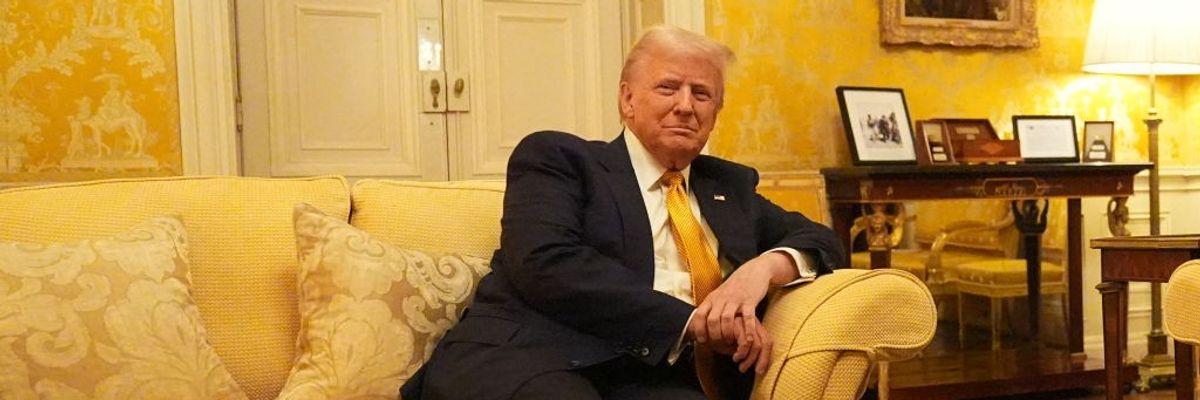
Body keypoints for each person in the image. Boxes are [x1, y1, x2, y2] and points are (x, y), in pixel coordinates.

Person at [401, 25, 843, 400]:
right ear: (627, 100)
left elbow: (821, 239)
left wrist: (763, 269)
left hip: (652, 374)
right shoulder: (561, 160)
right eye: (668, 87)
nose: (686, 105)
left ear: (716, 113)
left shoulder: (728, 186)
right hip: (533, 357)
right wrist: (694, 322)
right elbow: (546, 264)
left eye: (702, 94)